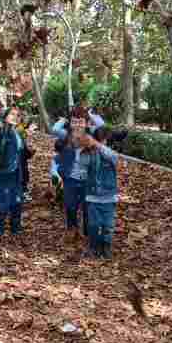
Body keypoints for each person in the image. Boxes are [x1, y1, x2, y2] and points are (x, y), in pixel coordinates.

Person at [80, 127, 121, 259]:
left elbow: (113, 157)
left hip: (109, 197)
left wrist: (97, 145)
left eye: (104, 141)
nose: (102, 143)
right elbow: (82, 164)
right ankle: (94, 246)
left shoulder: (110, 154)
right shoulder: (89, 153)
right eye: (100, 140)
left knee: (108, 225)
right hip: (93, 197)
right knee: (93, 224)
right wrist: (87, 146)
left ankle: (106, 246)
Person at [51, 110, 89, 243]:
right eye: (74, 122)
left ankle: (87, 232)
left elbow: (102, 126)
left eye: (81, 122)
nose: (78, 125)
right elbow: (55, 129)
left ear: (86, 123)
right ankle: (71, 229)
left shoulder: (90, 137)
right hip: (70, 178)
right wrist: (64, 120)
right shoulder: (66, 135)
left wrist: (91, 116)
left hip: (87, 179)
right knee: (70, 205)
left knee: (87, 207)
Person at [0, 107, 24, 236]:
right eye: (12, 114)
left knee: (17, 201)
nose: (15, 117)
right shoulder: (1, 131)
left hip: (16, 172)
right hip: (3, 172)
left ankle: (15, 228)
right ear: (5, 116)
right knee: (3, 203)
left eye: (17, 114)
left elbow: (19, 152)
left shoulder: (17, 132)